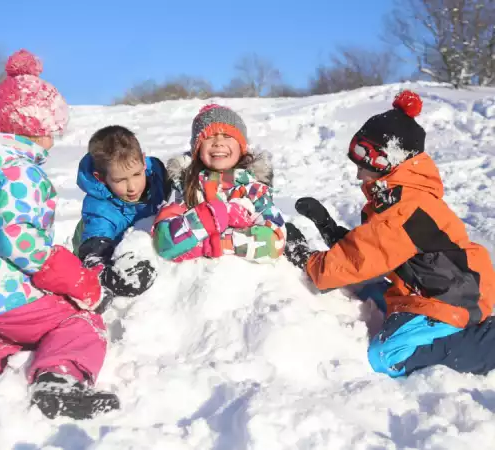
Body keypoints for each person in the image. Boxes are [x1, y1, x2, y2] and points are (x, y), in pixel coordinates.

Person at [0, 49, 128, 420]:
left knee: (8, 339)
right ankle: (60, 380)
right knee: (78, 323)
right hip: (10, 299)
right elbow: (22, 243)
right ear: (36, 128)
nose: (54, 139)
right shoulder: (22, 173)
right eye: (53, 131)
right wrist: (81, 282)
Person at [285, 90, 495, 377]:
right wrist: (333, 232)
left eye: (364, 166)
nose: (359, 175)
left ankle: (485, 344)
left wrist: (305, 259)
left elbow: (359, 257)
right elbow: (375, 249)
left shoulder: (405, 208)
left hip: (452, 299)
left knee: (386, 356)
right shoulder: (395, 198)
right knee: (366, 291)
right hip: (424, 288)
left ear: (387, 163)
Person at [153, 104, 286, 263]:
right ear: (197, 148)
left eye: (228, 136)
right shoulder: (185, 186)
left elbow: (275, 242)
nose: (218, 142)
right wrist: (210, 216)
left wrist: (218, 243)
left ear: (241, 146)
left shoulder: (254, 190)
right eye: (209, 136)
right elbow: (164, 242)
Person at [71, 125, 171, 300]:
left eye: (137, 174)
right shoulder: (100, 209)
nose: (132, 187)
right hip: (91, 242)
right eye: (120, 180)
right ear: (100, 178)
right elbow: (94, 251)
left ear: (143, 161)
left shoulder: (155, 173)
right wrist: (111, 276)